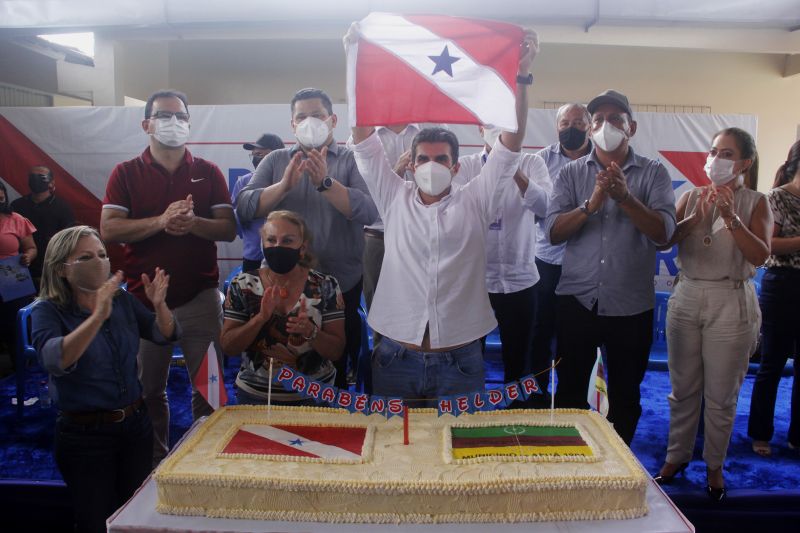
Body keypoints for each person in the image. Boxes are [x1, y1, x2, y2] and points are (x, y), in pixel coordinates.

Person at [350, 30, 538, 405]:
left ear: (456, 167)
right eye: (423, 158)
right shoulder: (393, 196)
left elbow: (511, 143)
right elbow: (363, 142)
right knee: (394, 457)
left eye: (441, 159)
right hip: (395, 357)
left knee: (457, 460)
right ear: (410, 163)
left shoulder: (476, 200)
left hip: (460, 361)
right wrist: (357, 59)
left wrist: (520, 76)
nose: (430, 165)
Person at [100, 89, 236, 464]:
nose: (174, 123)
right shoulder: (126, 172)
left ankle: (205, 464)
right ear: (146, 124)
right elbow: (109, 230)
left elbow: (227, 229)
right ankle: (154, 463)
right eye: (164, 116)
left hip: (200, 297)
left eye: (181, 117)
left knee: (209, 388)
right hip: (144, 302)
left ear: (189, 123)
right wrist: (161, 221)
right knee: (146, 391)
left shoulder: (207, 172)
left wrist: (193, 223)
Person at [544, 89, 677, 445]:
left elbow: (664, 235)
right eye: (598, 120)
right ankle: (572, 466)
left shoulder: (654, 173)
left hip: (630, 305)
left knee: (625, 396)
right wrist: (592, 204)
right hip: (577, 300)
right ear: (590, 130)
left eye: (614, 119)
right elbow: (553, 233)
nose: (605, 126)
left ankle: (618, 468)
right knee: (569, 391)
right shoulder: (571, 174)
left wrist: (625, 198)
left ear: (631, 127)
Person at [31, 225, 177, 533]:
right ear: (61, 269)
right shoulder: (48, 310)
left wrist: (160, 304)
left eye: (101, 254)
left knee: (134, 514)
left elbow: (162, 334)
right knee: (95, 520)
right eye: (86, 257)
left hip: (135, 425)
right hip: (86, 436)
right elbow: (55, 359)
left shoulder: (122, 301)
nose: (99, 262)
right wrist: (97, 317)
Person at [654, 128, 771, 501]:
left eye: (727, 153)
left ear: (744, 163)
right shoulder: (690, 196)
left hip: (730, 299)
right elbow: (664, 240)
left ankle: (715, 466)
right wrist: (695, 217)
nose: (716, 160)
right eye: (713, 151)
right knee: (683, 387)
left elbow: (760, 255)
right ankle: (676, 457)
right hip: (688, 294)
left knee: (721, 394)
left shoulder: (757, 201)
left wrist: (730, 217)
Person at [236, 87, 378, 388]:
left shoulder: (351, 160)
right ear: (292, 124)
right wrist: (283, 187)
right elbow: (245, 206)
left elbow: (368, 211)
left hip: (340, 285)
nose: (309, 122)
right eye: (302, 116)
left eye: (317, 115)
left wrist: (325, 183)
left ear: (333, 120)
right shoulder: (276, 160)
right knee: (276, 363)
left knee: (334, 368)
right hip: (281, 285)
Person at [453, 125, 551, 389]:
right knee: (469, 359)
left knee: (519, 362)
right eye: (492, 124)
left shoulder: (533, 163)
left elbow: (545, 208)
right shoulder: (465, 165)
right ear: (480, 130)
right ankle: (469, 416)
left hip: (520, 279)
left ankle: (515, 419)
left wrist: (512, 169)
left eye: (505, 125)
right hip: (475, 281)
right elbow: (456, 211)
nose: (499, 132)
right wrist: (493, 170)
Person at [221, 210, 345, 404]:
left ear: (302, 248)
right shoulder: (243, 285)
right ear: (263, 245)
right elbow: (228, 346)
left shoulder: (326, 285)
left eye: (287, 241)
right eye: (271, 240)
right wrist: (260, 318)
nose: (278, 247)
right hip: (256, 395)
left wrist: (311, 331)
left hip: (313, 394)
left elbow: (336, 351)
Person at [531, 104, 592, 390]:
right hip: (546, 259)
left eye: (578, 123)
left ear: (590, 126)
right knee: (540, 331)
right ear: (556, 126)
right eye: (565, 122)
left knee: (577, 336)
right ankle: (537, 395)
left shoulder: (602, 159)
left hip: (587, 262)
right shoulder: (539, 161)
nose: (571, 128)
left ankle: (571, 398)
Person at [748, 139, 800, 457]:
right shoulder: (778, 197)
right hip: (783, 285)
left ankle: (797, 436)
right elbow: (767, 247)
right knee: (772, 364)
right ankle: (760, 434)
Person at [361, 124, 419, 349]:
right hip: (377, 234)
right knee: (377, 304)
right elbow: (363, 199)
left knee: (417, 303)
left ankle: (415, 362)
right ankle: (381, 361)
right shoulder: (364, 137)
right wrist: (395, 171)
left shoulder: (427, 130)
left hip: (417, 232)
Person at [10, 165, 75, 288]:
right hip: (19, 270)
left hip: (51, 272)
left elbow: (69, 242)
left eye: (40, 177)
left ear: (51, 182)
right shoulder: (17, 206)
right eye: (32, 177)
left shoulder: (63, 208)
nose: (35, 180)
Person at [231, 133, 286, 272]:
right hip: (253, 257)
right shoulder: (243, 183)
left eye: (262, 155)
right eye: (254, 155)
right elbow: (236, 223)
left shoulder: (290, 182)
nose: (257, 159)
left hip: (286, 255)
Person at [0, 179, 37, 368]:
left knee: (18, 330)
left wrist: (28, 257)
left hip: (13, 276)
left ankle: (23, 377)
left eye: (1, 192)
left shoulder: (16, 219)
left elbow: (31, 248)